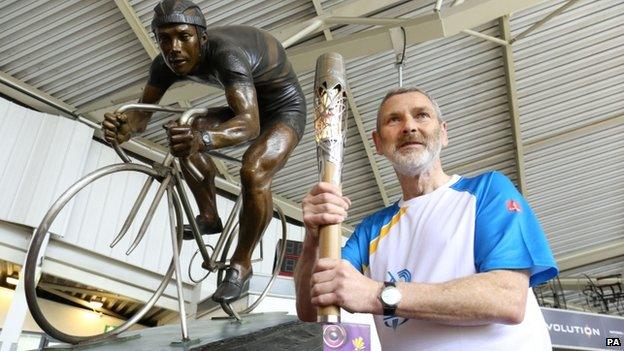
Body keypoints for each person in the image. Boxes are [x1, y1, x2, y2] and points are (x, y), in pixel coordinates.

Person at [294, 87, 558, 350]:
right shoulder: (371, 230)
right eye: (394, 119)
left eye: (421, 116)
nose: (409, 127)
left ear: (443, 133)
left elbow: (506, 298)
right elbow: (312, 310)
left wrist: (378, 295)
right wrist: (312, 238)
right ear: (377, 142)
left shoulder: (487, 191)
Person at [102, 0, 306, 303]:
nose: (174, 48)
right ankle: (209, 216)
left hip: (282, 111)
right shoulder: (163, 65)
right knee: (183, 127)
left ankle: (241, 263)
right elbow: (140, 118)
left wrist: (204, 140)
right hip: (243, 105)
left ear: (202, 38)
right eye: (164, 39)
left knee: (253, 170)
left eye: (184, 37)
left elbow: (249, 125)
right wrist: (124, 127)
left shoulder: (227, 56)